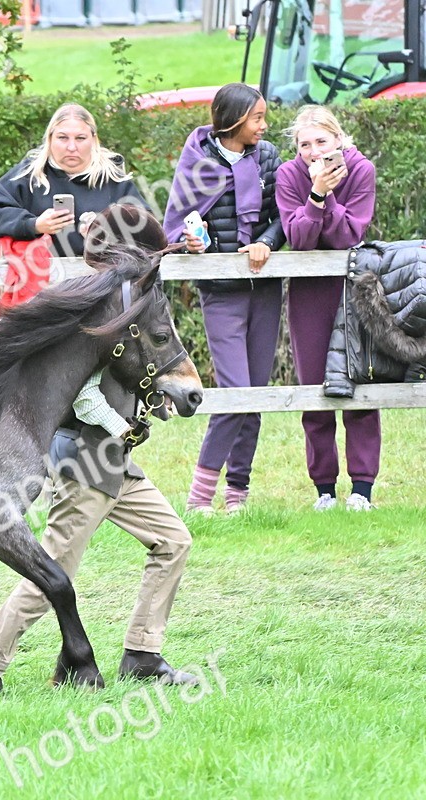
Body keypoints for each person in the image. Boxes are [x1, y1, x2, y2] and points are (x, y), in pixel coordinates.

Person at [0, 205, 197, 692]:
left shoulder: (125, 304)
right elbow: (84, 395)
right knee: (53, 574)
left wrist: (154, 396)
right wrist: (121, 426)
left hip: (115, 464)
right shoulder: (90, 308)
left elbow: (133, 368)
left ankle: (143, 654)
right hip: (84, 462)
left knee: (174, 541)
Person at [163, 82, 286, 513]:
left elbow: (283, 216)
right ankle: (200, 497)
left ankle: (238, 494)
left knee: (255, 393)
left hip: (264, 287)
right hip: (220, 291)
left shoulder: (268, 156)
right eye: (257, 117)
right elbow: (176, 221)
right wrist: (191, 244)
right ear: (233, 120)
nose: (264, 125)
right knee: (236, 391)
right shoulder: (198, 159)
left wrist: (266, 242)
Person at [275, 106, 379, 511]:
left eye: (321, 142)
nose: (314, 152)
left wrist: (325, 198)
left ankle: (362, 489)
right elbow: (298, 239)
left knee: (359, 384)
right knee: (314, 386)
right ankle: (324, 489)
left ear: (338, 139)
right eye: (305, 145)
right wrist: (316, 194)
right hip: (308, 292)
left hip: (354, 289)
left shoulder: (361, 170)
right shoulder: (288, 175)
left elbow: (348, 235)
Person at [0, 103, 145, 260]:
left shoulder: (113, 179)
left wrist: (107, 230)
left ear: (93, 140)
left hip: (103, 283)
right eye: (63, 138)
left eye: (80, 138)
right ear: (50, 139)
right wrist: (34, 225)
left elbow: (146, 231)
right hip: (42, 283)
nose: (71, 147)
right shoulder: (29, 175)